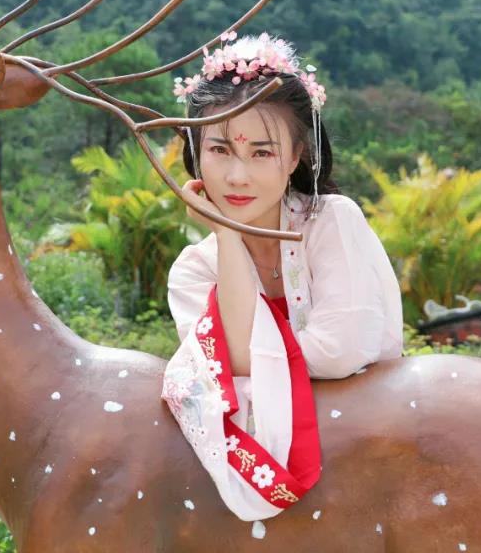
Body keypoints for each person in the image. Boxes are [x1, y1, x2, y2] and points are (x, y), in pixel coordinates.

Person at [160, 32, 403, 522]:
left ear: (295, 158)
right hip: (257, 472)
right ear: (194, 152)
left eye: (262, 153)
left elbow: (340, 354)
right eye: (220, 150)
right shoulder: (193, 270)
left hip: (372, 449)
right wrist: (227, 238)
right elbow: (224, 369)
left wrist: (253, 366)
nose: (237, 176)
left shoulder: (331, 220)